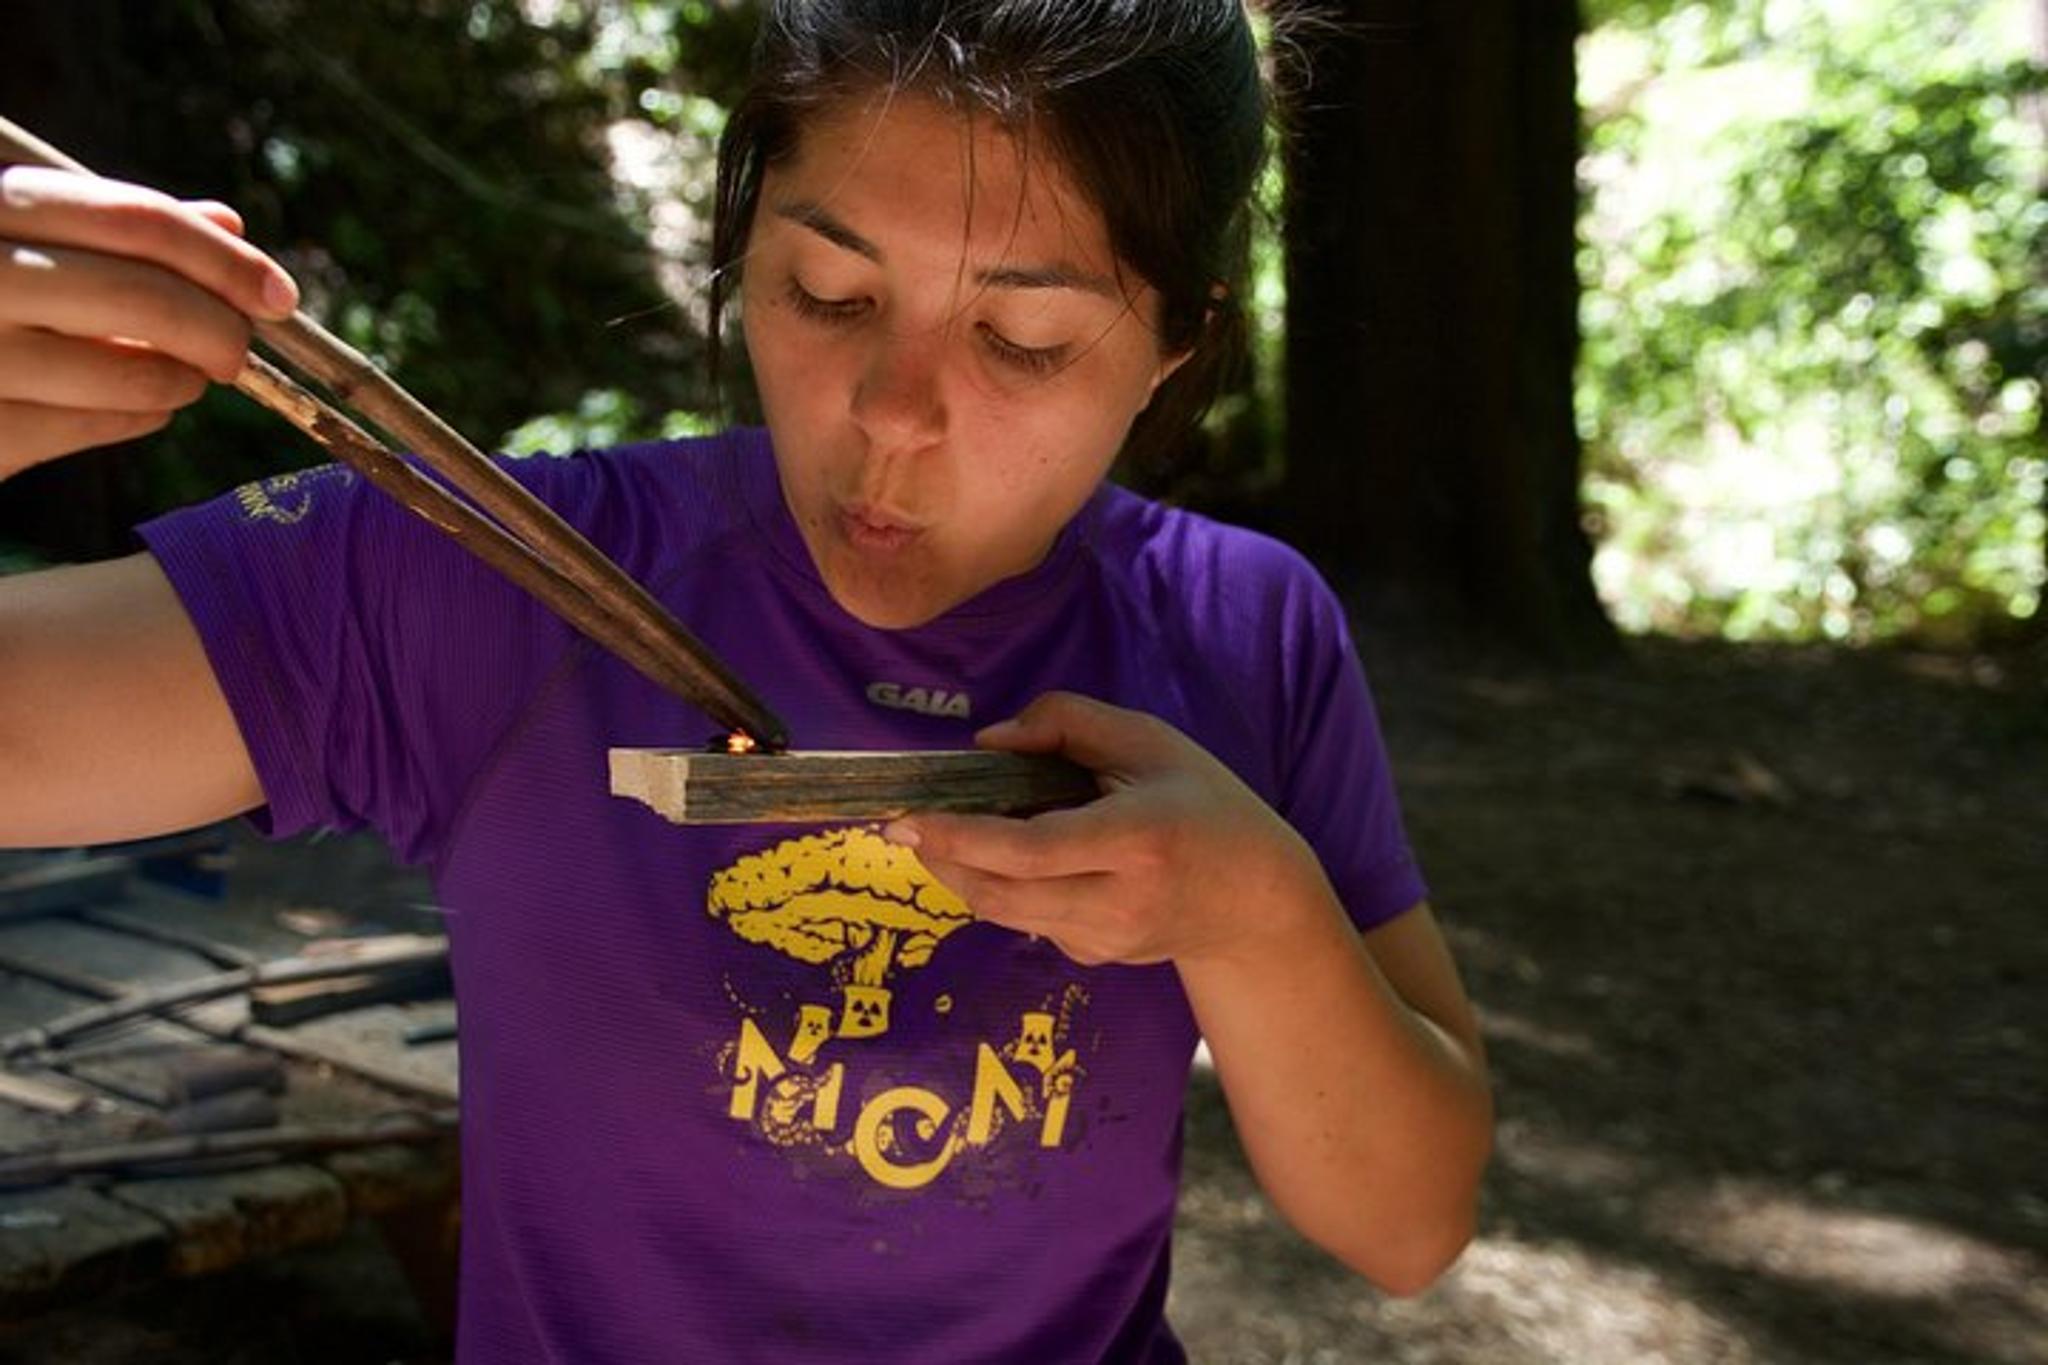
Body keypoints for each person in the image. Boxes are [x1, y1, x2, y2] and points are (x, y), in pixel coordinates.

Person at [0, 2, 1492, 1359]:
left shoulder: (1239, 629)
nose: (894, 414)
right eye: (830, 292)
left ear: (1180, 345)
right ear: (744, 236)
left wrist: (1255, 914)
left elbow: (1408, 1224)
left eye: (1023, 340)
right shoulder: (500, 576)